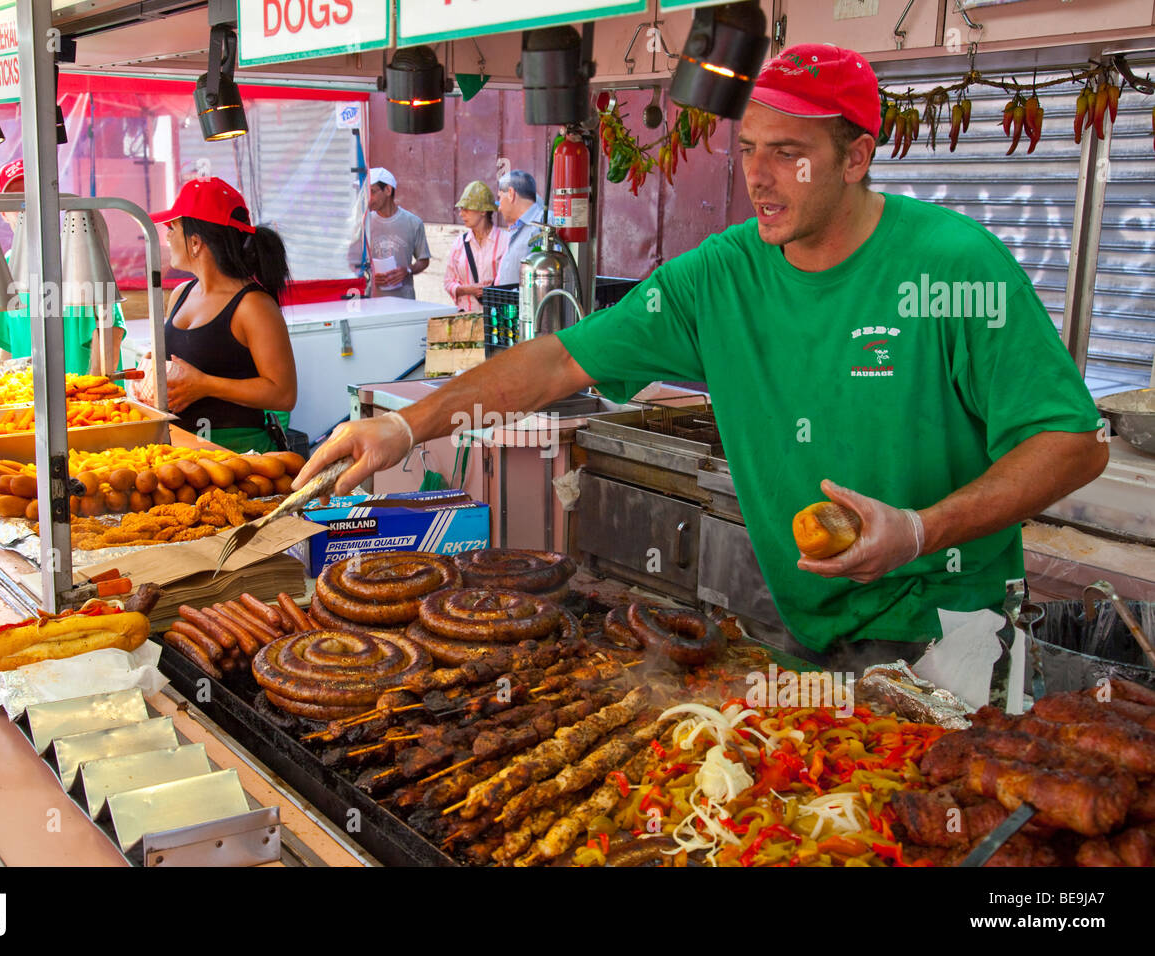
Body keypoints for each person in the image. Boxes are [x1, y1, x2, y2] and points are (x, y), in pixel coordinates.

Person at [294, 44, 1109, 663]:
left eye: (790, 153)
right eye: (749, 148)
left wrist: (922, 529)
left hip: (951, 631)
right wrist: (405, 431)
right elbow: (556, 361)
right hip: (806, 624)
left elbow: (1072, 444)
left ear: (858, 156)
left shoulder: (952, 264)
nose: (760, 176)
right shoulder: (721, 275)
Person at [139, 177, 296, 454]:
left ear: (196, 242)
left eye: (172, 227)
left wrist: (205, 385)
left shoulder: (253, 306)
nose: (167, 235)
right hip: (180, 447)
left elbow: (283, 394)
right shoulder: (181, 293)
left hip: (239, 453)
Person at [0, 159, 127, 375]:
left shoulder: (81, 256)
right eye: (15, 200)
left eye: (33, 196)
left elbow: (111, 336)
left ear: (52, 204)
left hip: (83, 402)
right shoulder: (9, 264)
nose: (25, 207)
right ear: (3, 213)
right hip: (30, 403)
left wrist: (89, 395)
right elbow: (7, 345)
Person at [349, 167, 430, 298]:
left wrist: (408, 270)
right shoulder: (363, 224)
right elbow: (352, 262)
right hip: (372, 301)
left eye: (373, 192)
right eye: (365, 193)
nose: (368, 198)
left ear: (388, 190)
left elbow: (424, 260)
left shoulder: (414, 223)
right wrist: (369, 275)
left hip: (405, 301)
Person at [443, 181, 507, 312]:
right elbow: (448, 282)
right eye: (461, 209)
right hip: (466, 318)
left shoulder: (506, 240)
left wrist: (493, 290)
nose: (461, 214)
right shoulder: (459, 243)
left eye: (466, 209)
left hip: (496, 319)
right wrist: (468, 290)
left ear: (483, 211)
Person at [494, 170, 545, 286]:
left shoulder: (543, 223)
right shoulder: (516, 227)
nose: (499, 208)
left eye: (500, 197)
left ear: (511, 194)